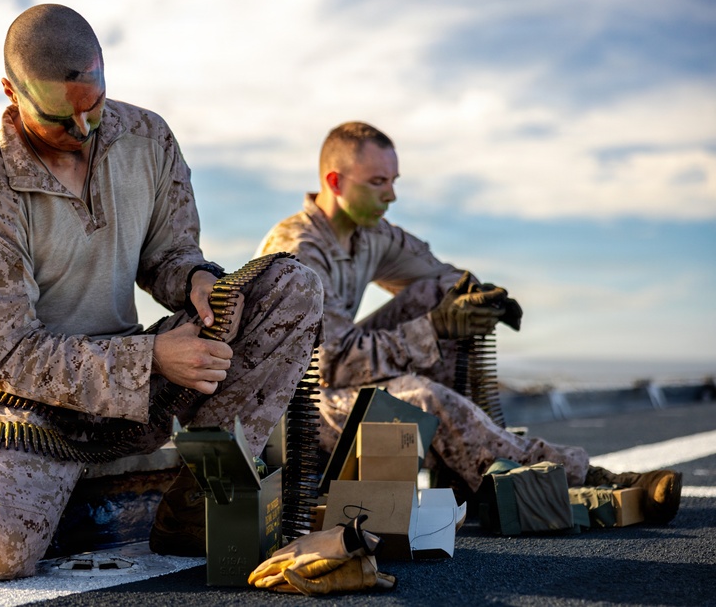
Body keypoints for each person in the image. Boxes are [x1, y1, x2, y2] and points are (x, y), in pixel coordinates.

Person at [0, 4, 323, 581]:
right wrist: (152, 357)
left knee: (290, 286)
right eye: (59, 118)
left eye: (93, 108)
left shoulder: (148, 138)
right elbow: (8, 353)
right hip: (32, 407)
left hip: (140, 389)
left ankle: (201, 500)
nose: (81, 131)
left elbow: (170, 255)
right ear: (11, 92)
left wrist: (197, 280)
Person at [256, 121, 681, 523]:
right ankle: (584, 477)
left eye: (394, 181)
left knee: (438, 295)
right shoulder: (300, 248)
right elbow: (329, 365)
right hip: (289, 410)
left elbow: (442, 281)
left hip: (329, 387)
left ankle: (468, 469)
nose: (392, 195)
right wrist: (434, 328)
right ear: (335, 182)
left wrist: (479, 298)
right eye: (378, 182)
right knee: (417, 400)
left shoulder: (369, 236)